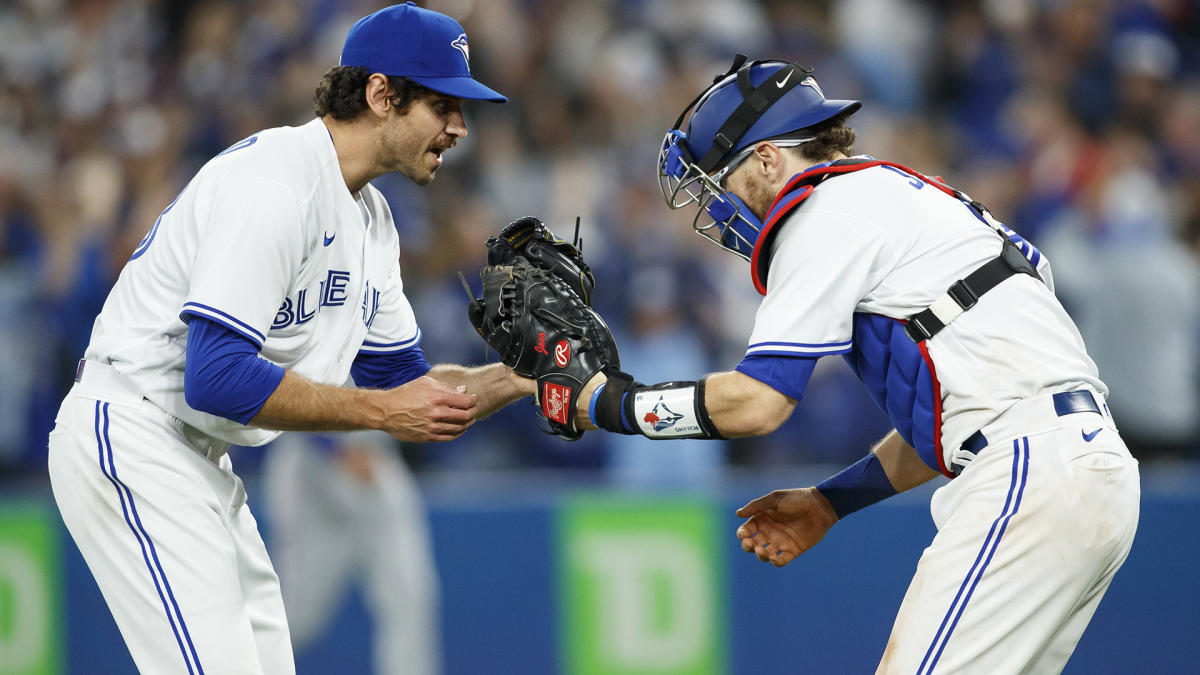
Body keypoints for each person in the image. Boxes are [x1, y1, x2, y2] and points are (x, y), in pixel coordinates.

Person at [568, 56, 1141, 672]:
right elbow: (946, 416)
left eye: (722, 182)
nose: (723, 210)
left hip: (1029, 471)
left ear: (767, 159)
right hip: (1083, 464)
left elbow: (760, 403)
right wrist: (831, 502)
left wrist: (607, 402)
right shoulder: (900, 195)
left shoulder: (823, 211)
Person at [46, 4, 527, 673]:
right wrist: (383, 411)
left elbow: (412, 390)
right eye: (443, 104)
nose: (459, 127)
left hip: (199, 456)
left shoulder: (374, 224)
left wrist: (526, 374)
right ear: (381, 93)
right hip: (133, 431)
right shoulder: (277, 183)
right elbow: (216, 376)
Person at [262, 432, 439, 675]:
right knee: (295, 617)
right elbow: (273, 396)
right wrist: (334, 448)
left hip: (376, 463)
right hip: (311, 474)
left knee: (410, 600)